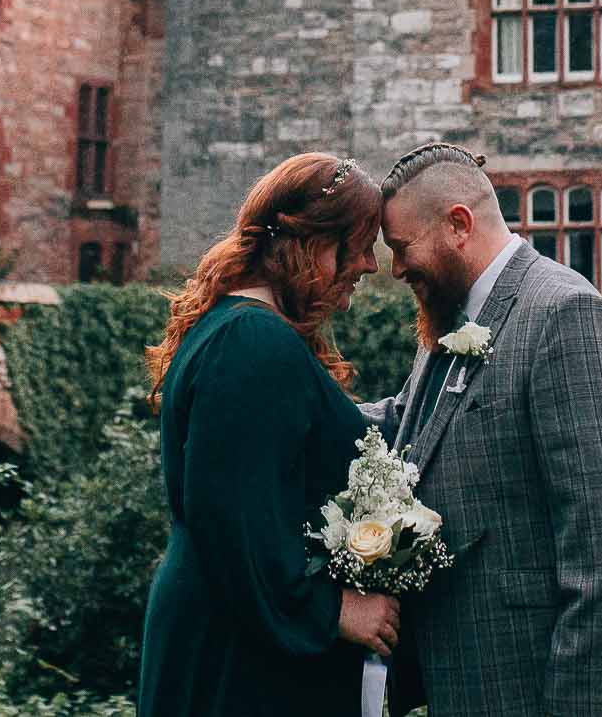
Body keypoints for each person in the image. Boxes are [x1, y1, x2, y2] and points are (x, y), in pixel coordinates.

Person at [373, 142, 602, 717]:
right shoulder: (457, 313)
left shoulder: (566, 317)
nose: (395, 268)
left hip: (534, 685)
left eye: (401, 247)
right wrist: (297, 401)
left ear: (458, 225)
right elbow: (408, 419)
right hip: (477, 682)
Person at [138, 151, 403, 717]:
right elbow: (235, 521)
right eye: (355, 246)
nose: (368, 265)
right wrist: (334, 610)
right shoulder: (252, 344)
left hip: (233, 634)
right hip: (238, 655)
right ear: (307, 242)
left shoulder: (246, 332)